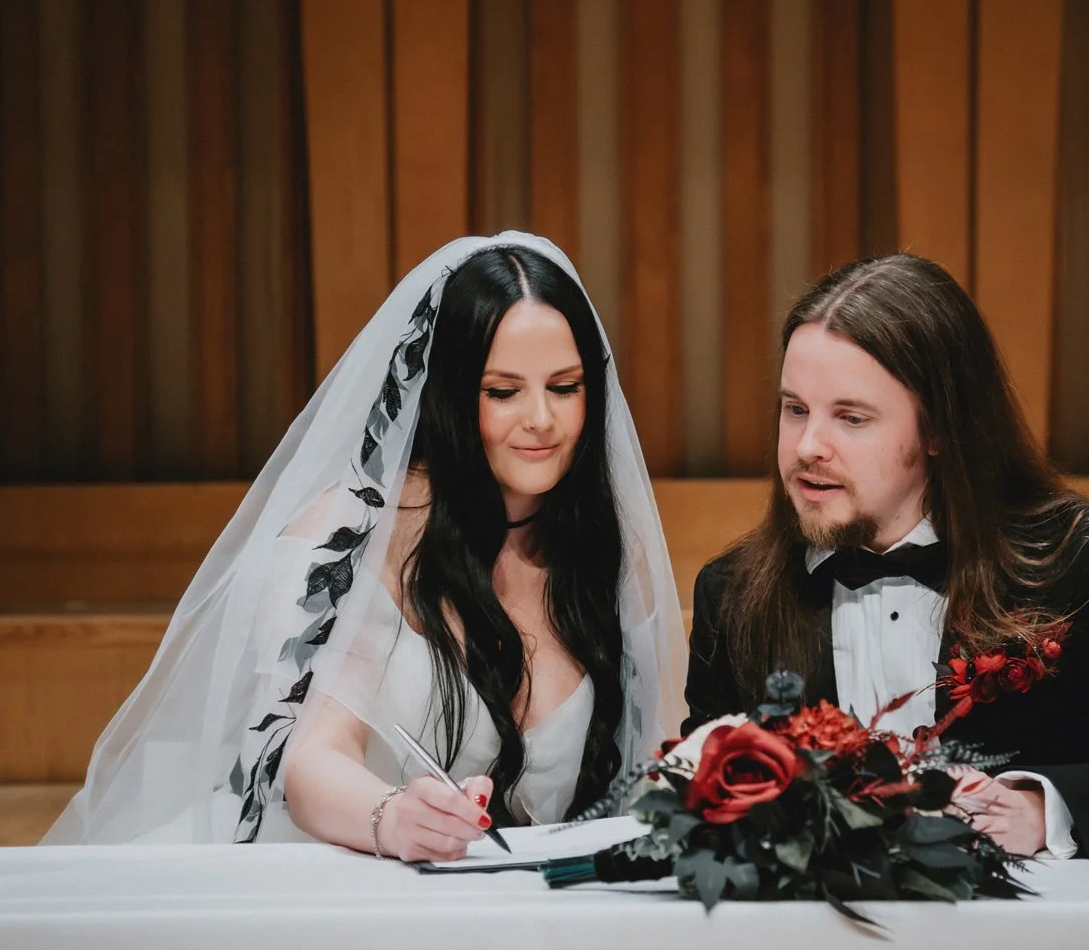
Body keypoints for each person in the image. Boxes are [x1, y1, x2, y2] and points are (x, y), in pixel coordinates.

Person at [47, 235, 685, 855]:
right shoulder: (350, 536)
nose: (541, 419)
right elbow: (312, 756)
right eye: (502, 392)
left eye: (565, 387)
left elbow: (645, 769)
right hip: (350, 870)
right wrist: (393, 817)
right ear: (449, 395)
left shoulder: (603, 547)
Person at [685, 254, 1089, 860]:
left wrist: (1037, 808)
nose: (809, 445)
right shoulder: (731, 594)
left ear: (940, 429)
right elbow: (707, 797)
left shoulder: (1079, 561)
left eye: (851, 417)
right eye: (795, 409)